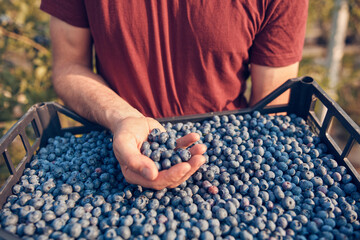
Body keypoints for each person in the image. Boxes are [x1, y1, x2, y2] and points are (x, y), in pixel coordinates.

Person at [40, 1, 308, 190]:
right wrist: (123, 118)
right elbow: (69, 66)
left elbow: (272, 108)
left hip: (220, 154)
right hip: (113, 144)